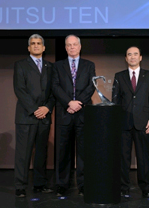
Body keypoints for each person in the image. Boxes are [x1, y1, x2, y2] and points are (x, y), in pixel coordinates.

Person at [52, 34, 96, 196]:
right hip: (64, 112)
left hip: (83, 113)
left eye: (74, 44)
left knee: (84, 151)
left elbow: (91, 86)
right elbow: (55, 87)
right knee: (63, 151)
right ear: (65, 47)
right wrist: (69, 103)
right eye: (68, 45)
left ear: (80, 46)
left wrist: (78, 103)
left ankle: (84, 185)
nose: (72, 47)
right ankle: (62, 185)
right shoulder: (57, 66)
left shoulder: (89, 65)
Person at [112, 46, 149, 198]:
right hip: (123, 123)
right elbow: (115, 100)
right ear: (126, 58)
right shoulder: (119, 76)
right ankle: (123, 187)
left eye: (135, 54)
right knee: (123, 158)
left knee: (143, 157)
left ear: (140, 57)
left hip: (143, 122)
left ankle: (145, 187)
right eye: (129, 55)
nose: (132, 57)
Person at [13, 34, 55, 197]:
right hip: (26, 116)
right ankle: (20, 186)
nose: (36, 46)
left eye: (39, 43)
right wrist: (34, 109)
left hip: (44, 116)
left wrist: (46, 108)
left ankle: (39, 184)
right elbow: (19, 90)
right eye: (33, 43)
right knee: (23, 153)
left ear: (44, 48)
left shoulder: (51, 67)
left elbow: (53, 91)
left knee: (41, 153)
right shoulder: (21, 65)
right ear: (29, 48)